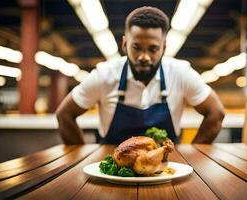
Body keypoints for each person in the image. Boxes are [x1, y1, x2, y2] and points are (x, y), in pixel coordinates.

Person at [56, 6, 225, 145]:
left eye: (153, 49)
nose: (144, 57)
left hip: (166, 167)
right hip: (114, 168)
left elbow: (216, 112)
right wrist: (79, 157)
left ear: (164, 47)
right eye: (136, 47)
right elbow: (64, 114)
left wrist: (193, 156)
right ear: (125, 44)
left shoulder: (180, 73)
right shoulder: (104, 74)